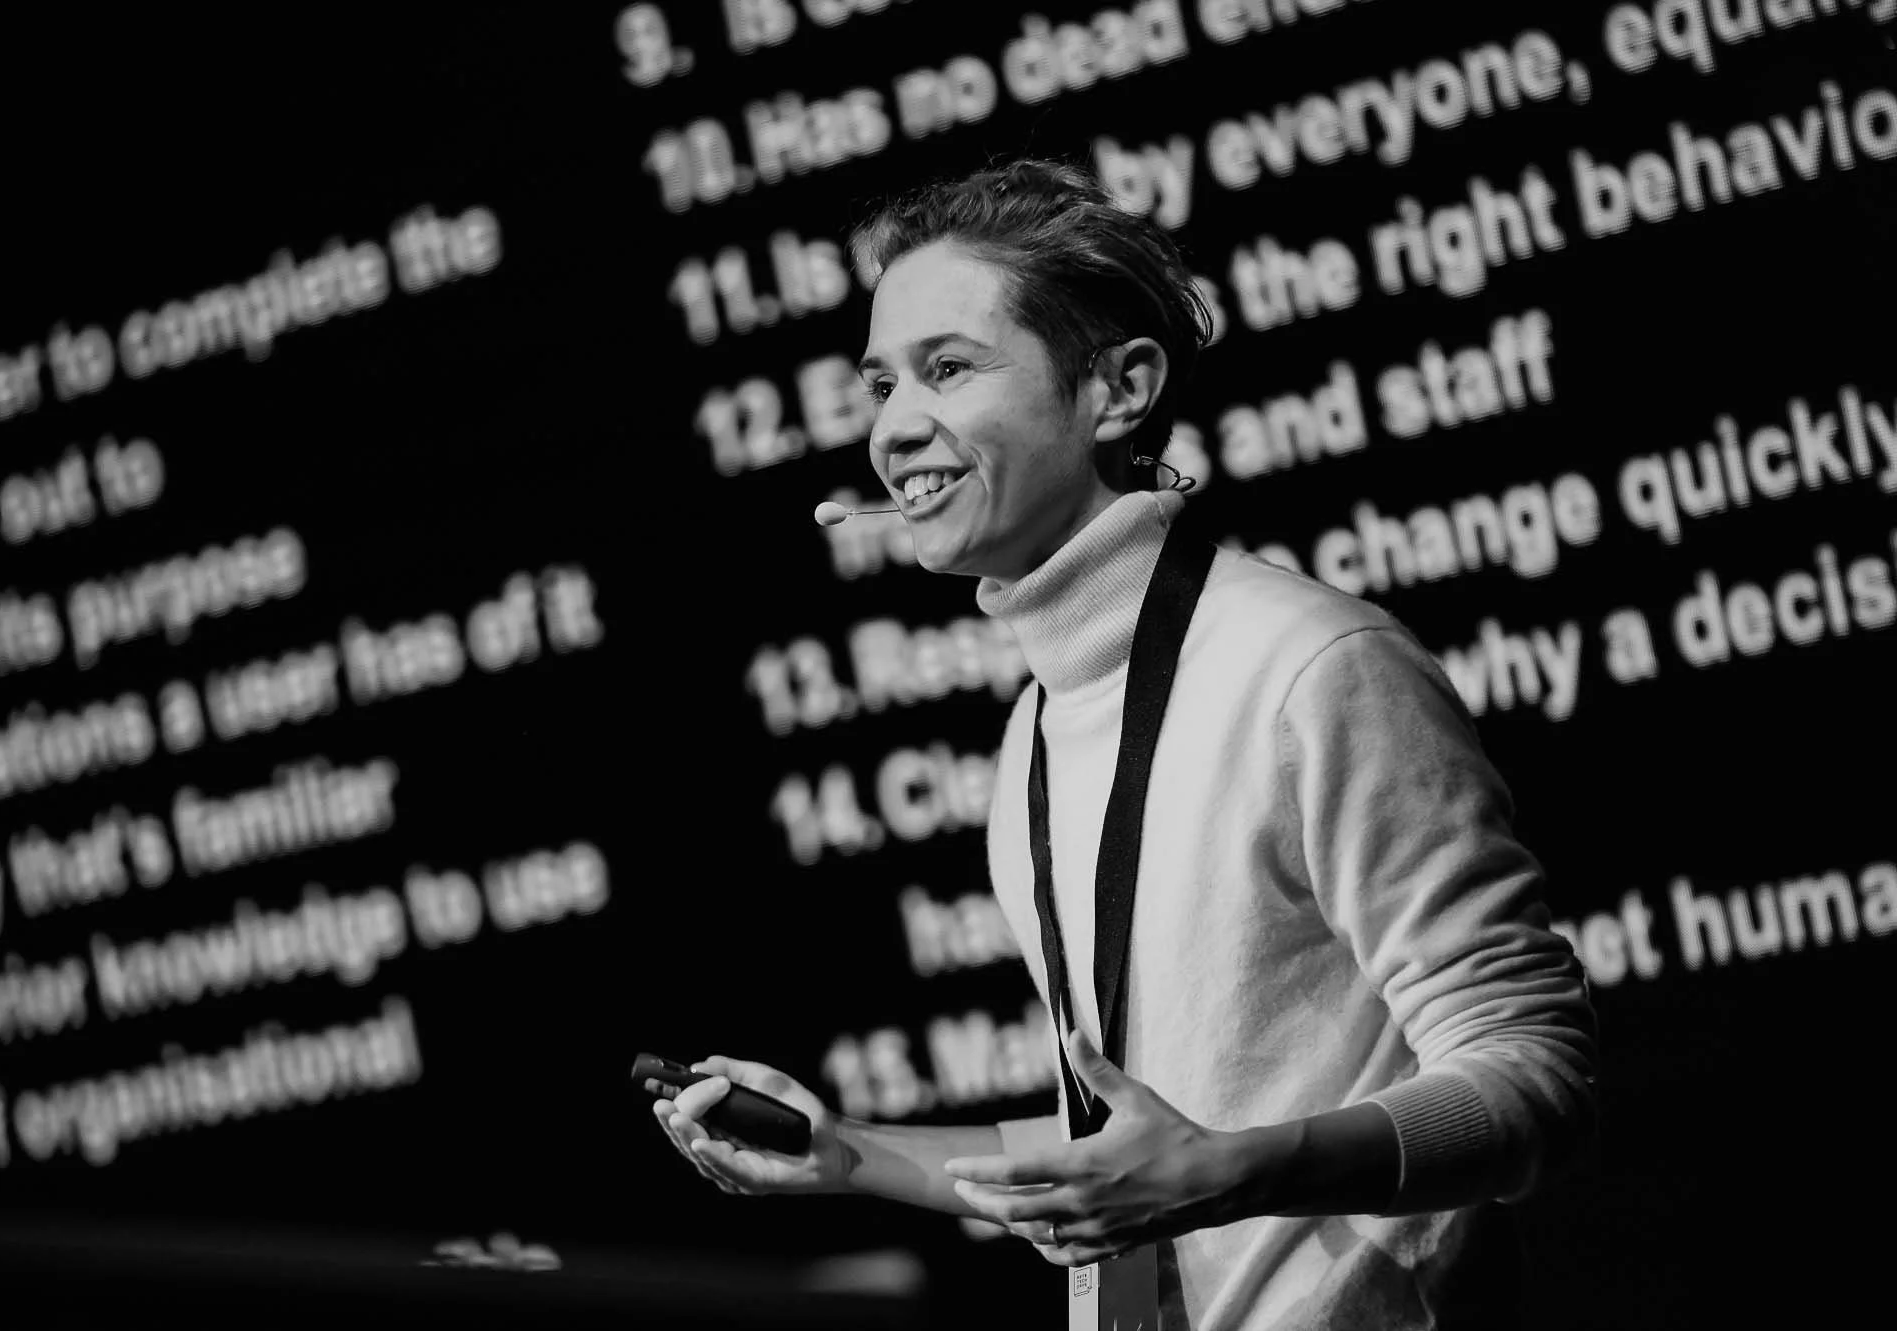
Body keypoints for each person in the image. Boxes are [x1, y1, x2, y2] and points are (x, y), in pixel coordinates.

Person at [649, 158, 1597, 1330]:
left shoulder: (1308, 666)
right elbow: (1138, 1142)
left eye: (947, 368)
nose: (893, 428)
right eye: (880, 383)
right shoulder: (1038, 729)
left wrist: (1231, 1172)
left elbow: (1532, 1073)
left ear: (1119, 389)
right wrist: (851, 1153)